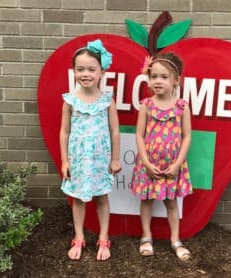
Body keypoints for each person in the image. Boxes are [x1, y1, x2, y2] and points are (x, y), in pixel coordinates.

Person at [59, 39, 121, 261]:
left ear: (101, 72)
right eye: (80, 69)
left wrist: (115, 159)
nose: (86, 73)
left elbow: (115, 130)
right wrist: (65, 160)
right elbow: (64, 131)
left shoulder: (107, 100)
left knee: (102, 197)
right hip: (77, 159)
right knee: (78, 198)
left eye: (91, 69)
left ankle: (104, 237)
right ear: (74, 71)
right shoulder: (70, 100)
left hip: (100, 159)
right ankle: (79, 236)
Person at [131, 52, 193, 261]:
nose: (157, 81)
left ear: (176, 80)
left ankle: (175, 239)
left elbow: (186, 136)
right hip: (150, 164)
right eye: (154, 76)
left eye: (164, 77)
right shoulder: (146, 105)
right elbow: (139, 134)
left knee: (172, 203)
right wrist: (146, 163)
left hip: (172, 166)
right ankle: (146, 236)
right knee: (147, 200)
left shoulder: (182, 106)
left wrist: (178, 163)